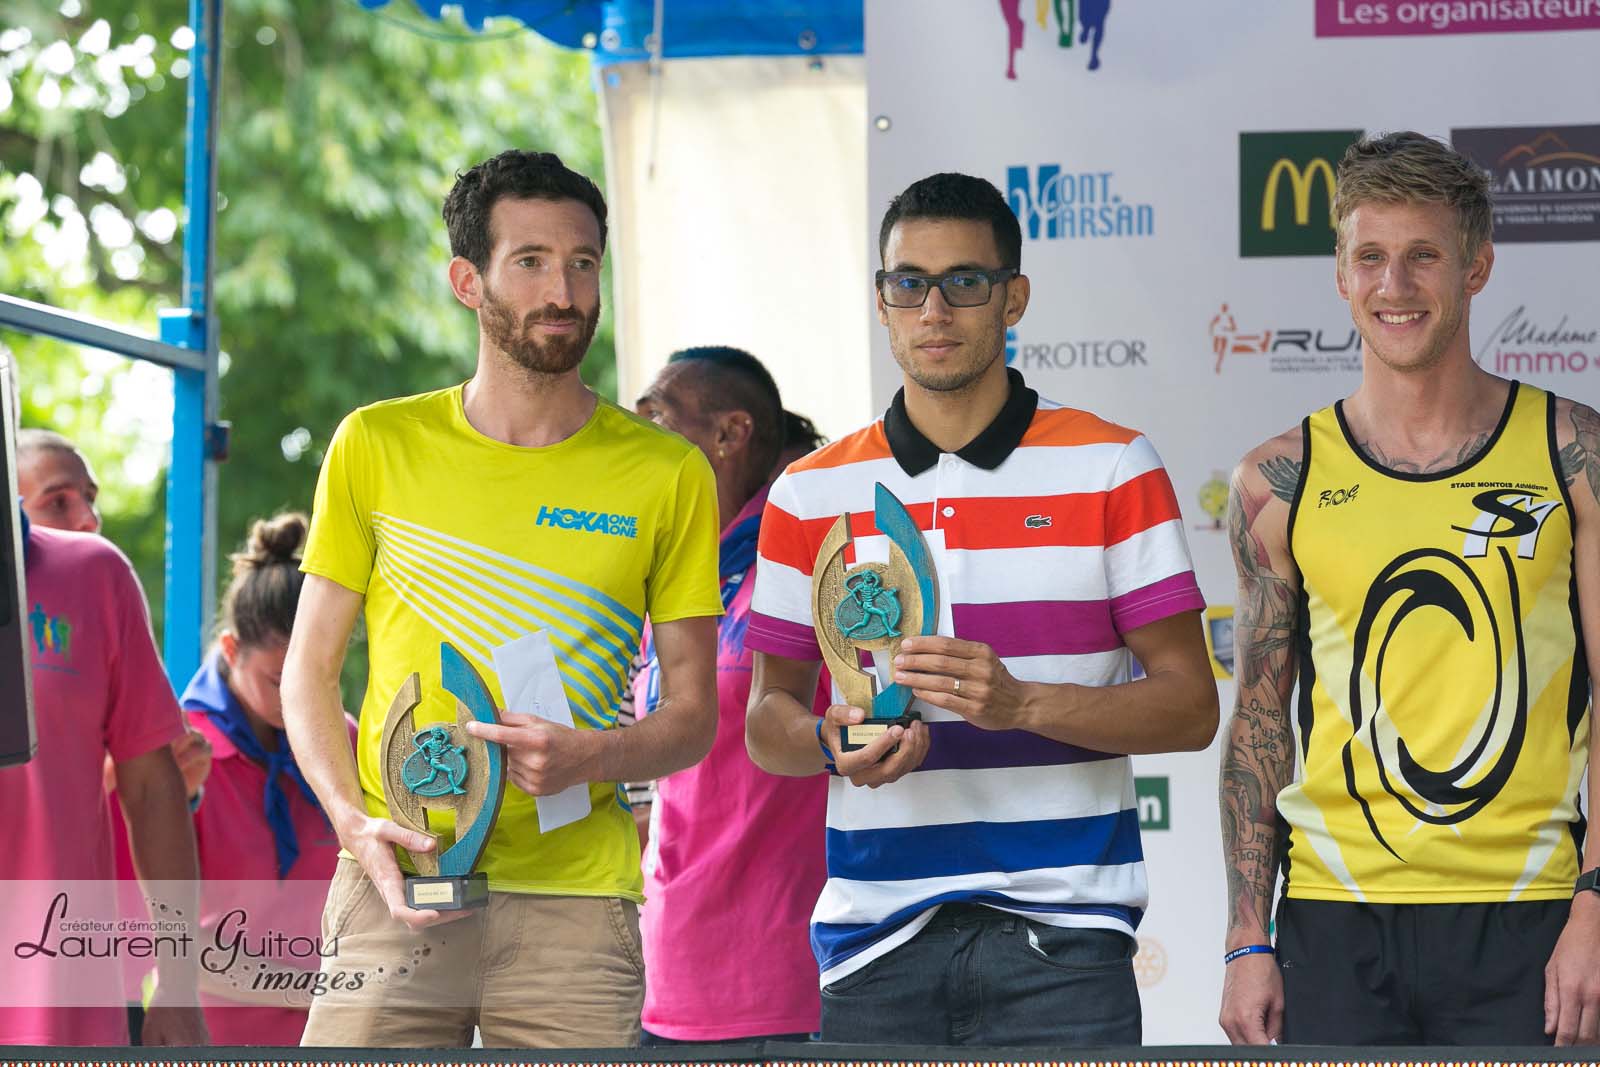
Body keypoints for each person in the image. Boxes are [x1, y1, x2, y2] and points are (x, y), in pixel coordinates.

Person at [743, 172, 1218, 1046]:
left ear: (1013, 297)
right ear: (882, 302)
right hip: (874, 942)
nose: (934, 310)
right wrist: (830, 743)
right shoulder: (809, 492)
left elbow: (1191, 707)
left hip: (1066, 941)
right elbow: (767, 722)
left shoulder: (1113, 465)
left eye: (964, 281)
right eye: (909, 284)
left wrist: (1022, 703)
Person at [281, 149, 721, 1049]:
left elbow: (694, 716)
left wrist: (593, 754)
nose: (564, 291)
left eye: (583, 262)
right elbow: (308, 673)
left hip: (576, 909)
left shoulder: (669, 471)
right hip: (395, 885)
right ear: (467, 281)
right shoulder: (374, 443)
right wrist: (354, 825)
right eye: (531, 261)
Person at [1217, 131, 1600, 1047]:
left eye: (1424, 255)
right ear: (1340, 275)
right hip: (1334, 920)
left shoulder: (1573, 454)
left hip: (1529, 911)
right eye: (1371, 258)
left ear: (1477, 267)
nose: (1395, 284)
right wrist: (1245, 936)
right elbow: (1261, 717)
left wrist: (1595, 898)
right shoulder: (1277, 480)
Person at [0, 359, 209, 1047]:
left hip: (62, 997)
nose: (86, 515)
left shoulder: (96, 576)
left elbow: (153, 787)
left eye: (87, 498)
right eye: (61, 498)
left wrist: (178, 985)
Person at [630, 348, 830, 1044]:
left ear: (729, 433)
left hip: (784, 972)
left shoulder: (809, 569)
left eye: (656, 414)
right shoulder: (670, 581)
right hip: (672, 968)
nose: (635, 432)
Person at [178, 512, 357, 1044]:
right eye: (279, 680)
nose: (296, 696)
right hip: (220, 1038)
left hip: (337, 1030)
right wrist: (307, 988)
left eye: (315, 676)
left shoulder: (344, 739)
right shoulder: (184, 757)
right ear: (231, 650)